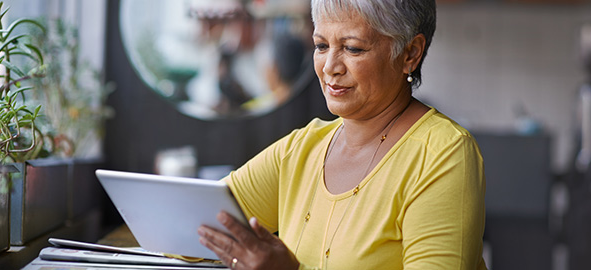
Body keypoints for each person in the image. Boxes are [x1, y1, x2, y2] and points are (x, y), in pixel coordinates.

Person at [197, 0, 487, 269]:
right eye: (321, 46)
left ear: (410, 54)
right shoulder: (302, 149)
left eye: (353, 49)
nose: (330, 67)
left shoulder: (442, 154)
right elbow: (189, 228)